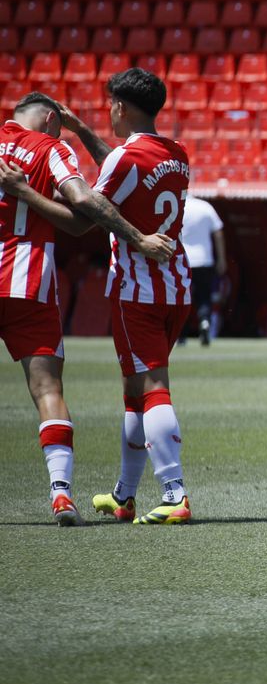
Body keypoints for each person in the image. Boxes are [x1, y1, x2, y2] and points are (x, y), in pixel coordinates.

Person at [0, 91, 175, 525]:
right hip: (27, 276)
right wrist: (135, 237)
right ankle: (61, 495)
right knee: (47, 391)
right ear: (48, 119)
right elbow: (82, 204)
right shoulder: (49, 147)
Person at [68, 69, 196, 525]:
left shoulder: (127, 158)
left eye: (108, 106)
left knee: (152, 387)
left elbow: (94, 203)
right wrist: (84, 132)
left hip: (136, 288)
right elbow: (121, 170)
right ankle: (124, 496)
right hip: (175, 285)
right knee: (134, 390)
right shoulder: (177, 154)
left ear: (120, 107)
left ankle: (175, 493)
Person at [180, 192, 224, 345]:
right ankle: (204, 321)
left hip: (183, 260)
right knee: (204, 297)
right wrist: (222, 259)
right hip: (204, 260)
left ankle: (181, 333)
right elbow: (218, 233)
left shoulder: (178, 206)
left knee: (181, 298)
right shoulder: (205, 207)